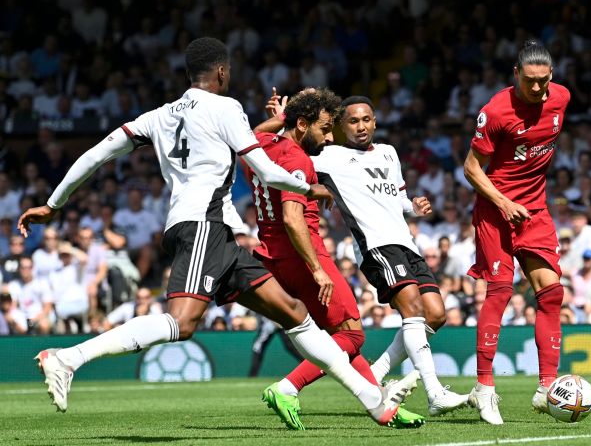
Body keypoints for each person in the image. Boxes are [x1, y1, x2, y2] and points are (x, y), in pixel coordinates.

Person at [17, 37, 418, 426]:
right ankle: (69, 358)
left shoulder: (157, 116)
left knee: (294, 313)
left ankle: (375, 403)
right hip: (203, 226)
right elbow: (264, 168)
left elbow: (98, 151)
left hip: (218, 233)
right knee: (182, 323)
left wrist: (54, 204)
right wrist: (306, 186)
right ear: (222, 72)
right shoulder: (226, 108)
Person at [256, 92, 467, 422]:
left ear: (376, 121)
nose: (359, 126)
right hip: (357, 247)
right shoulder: (322, 156)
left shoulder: (387, 153)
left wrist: (413, 207)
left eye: (366, 119)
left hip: (402, 242)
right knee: (368, 327)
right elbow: (288, 176)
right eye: (348, 122)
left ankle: (380, 390)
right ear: (340, 126)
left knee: (429, 316)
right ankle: (433, 393)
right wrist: (290, 123)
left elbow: (397, 198)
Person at [463, 40, 570, 424]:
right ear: (515, 75)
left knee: (552, 293)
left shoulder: (561, 99)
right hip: (495, 211)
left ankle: (547, 388)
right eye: (530, 82)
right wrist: (504, 202)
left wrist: (522, 203)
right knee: (501, 290)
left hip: (536, 210)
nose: (538, 89)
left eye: (543, 81)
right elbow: (471, 168)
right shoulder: (495, 111)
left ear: (552, 76)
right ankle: (485, 387)